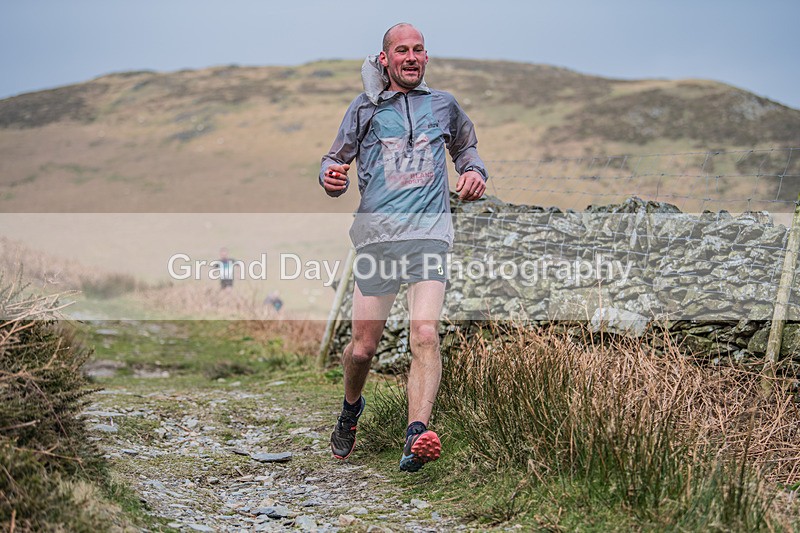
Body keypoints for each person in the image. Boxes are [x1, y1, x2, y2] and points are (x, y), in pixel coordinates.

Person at [319, 23, 487, 472]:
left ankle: (416, 435)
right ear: (385, 59)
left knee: (425, 333)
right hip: (377, 238)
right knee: (362, 350)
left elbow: (467, 148)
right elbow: (335, 160)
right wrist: (331, 177)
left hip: (429, 235)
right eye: (401, 50)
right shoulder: (364, 108)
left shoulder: (444, 105)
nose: (411, 57)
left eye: (418, 50)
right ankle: (351, 409)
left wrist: (474, 172)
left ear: (425, 57)